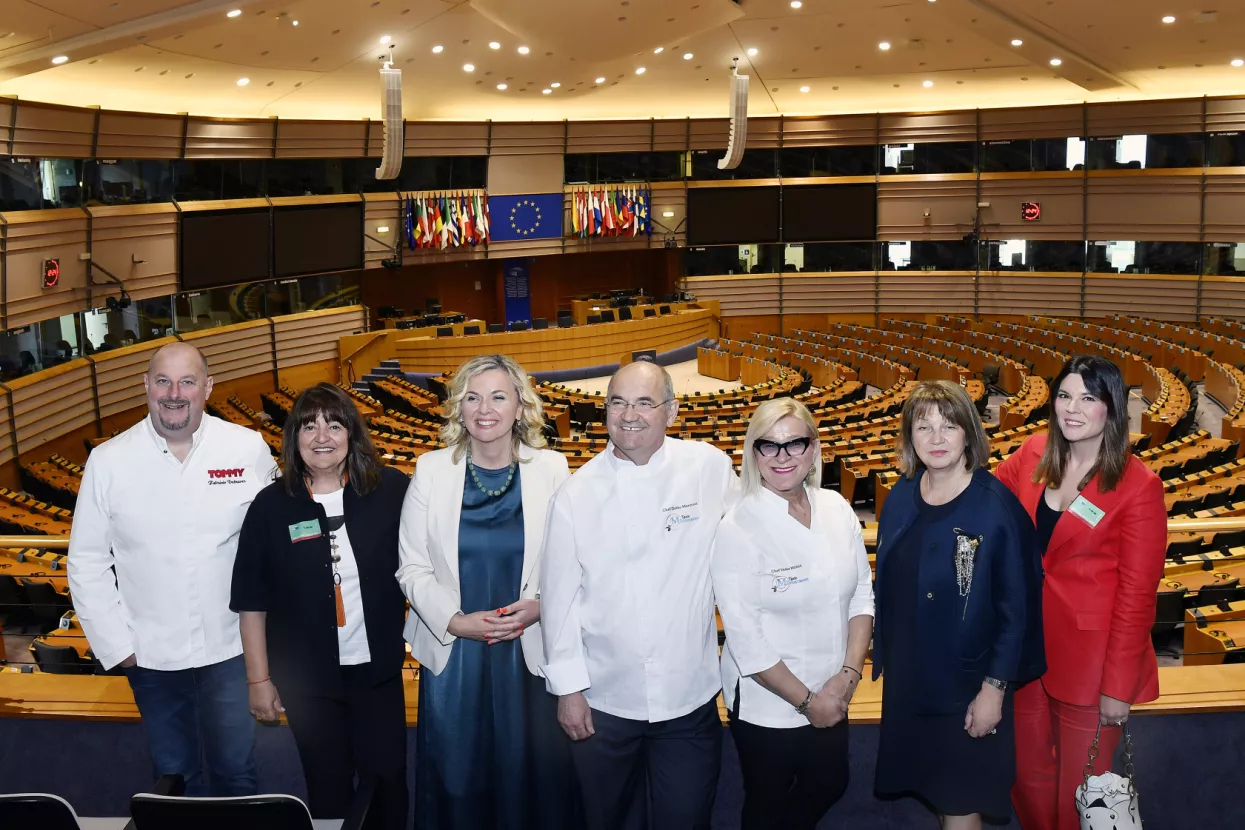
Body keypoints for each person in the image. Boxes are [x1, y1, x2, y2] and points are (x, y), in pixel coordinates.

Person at [67, 342, 276, 796]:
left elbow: (275, 541)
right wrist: (120, 648)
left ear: (208, 387)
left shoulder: (247, 448)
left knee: (237, 774)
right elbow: (86, 561)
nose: (174, 393)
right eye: (163, 381)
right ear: (146, 385)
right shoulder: (108, 461)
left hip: (231, 650)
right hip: (151, 657)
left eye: (187, 382)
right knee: (174, 781)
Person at [541, 360, 737, 830]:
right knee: (607, 821)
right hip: (604, 702)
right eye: (618, 403)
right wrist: (568, 691)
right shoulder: (575, 494)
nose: (629, 415)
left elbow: (748, 543)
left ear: (671, 411)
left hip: (689, 698)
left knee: (687, 819)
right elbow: (559, 602)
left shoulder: (708, 467)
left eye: (644, 403)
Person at [397, 354, 578, 830]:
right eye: (472, 397)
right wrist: (455, 622)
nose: (485, 409)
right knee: (458, 778)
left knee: (530, 777)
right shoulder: (431, 470)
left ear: (520, 406)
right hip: (455, 651)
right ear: (459, 407)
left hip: (528, 648)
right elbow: (412, 567)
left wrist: (540, 606)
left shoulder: (552, 468)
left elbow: (572, 561)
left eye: (498, 396)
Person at [997, 356, 1166, 830]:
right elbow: (985, 496)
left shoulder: (1138, 487)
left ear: (1112, 408)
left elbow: (1137, 597)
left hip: (1091, 668)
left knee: (1082, 792)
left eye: (1088, 398)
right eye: (1065, 396)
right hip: (1026, 652)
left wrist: (1117, 687)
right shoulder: (1034, 452)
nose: (1072, 409)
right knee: (1025, 778)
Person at [231, 383, 409, 829]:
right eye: (309, 426)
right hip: (307, 684)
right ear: (294, 437)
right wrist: (259, 681)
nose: (322, 436)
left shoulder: (390, 489)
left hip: (378, 674)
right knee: (328, 790)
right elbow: (251, 603)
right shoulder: (270, 506)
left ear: (352, 433)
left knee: (388, 784)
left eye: (334, 424)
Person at [873, 380, 1044, 829]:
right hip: (911, 682)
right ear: (909, 436)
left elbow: (1016, 612)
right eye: (923, 426)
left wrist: (994, 689)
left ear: (969, 432)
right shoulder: (901, 495)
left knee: (960, 801)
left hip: (968, 686)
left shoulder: (997, 508)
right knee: (936, 791)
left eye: (949, 426)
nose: (936, 438)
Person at [711, 398, 874, 830]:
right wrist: (808, 703)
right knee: (766, 803)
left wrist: (848, 676)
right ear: (753, 453)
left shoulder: (836, 508)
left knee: (831, 782)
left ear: (814, 448)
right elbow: (746, 641)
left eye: (795, 443)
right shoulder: (737, 527)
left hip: (834, 689)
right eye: (769, 445)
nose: (782, 456)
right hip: (768, 702)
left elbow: (861, 597)